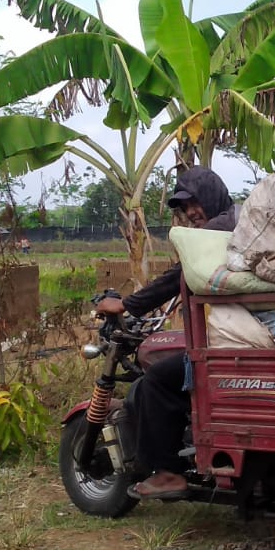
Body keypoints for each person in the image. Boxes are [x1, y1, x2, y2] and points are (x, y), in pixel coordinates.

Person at [95, 166, 236, 499]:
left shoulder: (219, 229)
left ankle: (168, 472)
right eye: (184, 209)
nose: (190, 213)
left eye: (194, 203)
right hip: (231, 337)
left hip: (227, 345)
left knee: (156, 381)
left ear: (211, 195)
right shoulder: (232, 222)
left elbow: (177, 275)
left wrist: (127, 305)